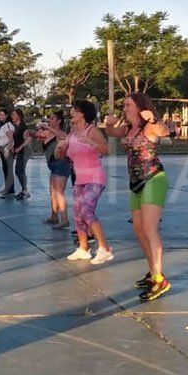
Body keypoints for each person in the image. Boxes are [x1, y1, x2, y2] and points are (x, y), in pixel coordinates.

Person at [105, 94, 172, 299]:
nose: (125, 108)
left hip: (153, 179)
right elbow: (111, 132)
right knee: (139, 230)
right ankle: (153, 272)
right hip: (135, 183)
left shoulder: (149, 127)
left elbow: (164, 131)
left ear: (139, 107)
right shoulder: (127, 129)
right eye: (124, 104)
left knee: (150, 229)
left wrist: (153, 119)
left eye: (128, 105)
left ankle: (160, 279)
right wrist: (108, 123)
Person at [58, 101, 113, 265]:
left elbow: (106, 150)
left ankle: (104, 249)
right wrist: (60, 147)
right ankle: (83, 249)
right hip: (80, 179)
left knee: (86, 210)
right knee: (78, 213)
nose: (71, 113)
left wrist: (90, 142)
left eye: (75, 110)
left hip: (95, 178)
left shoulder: (92, 130)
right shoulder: (72, 133)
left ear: (83, 114)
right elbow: (61, 155)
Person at [36, 110, 71, 228]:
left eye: (52, 119)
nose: (49, 121)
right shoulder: (49, 133)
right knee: (52, 192)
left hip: (61, 164)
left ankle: (64, 219)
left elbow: (62, 136)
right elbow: (38, 135)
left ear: (59, 121)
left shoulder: (60, 133)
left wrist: (47, 127)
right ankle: (54, 215)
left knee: (59, 192)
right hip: (53, 165)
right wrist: (30, 132)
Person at [9, 108, 33, 200]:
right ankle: (24, 190)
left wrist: (20, 147)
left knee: (19, 170)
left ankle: (25, 191)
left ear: (19, 116)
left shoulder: (23, 127)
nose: (12, 116)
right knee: (19, 170)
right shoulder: (16, 127)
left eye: (14, 115)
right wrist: (13, 146)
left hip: (25, 151)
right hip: (20, 151)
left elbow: (29, 138)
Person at [0, 108, 16, 197]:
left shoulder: (8, 125)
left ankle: (10, 189)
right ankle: (8, 188)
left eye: (1, 115)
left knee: (8, 169)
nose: (0, 116)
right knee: (5, 169)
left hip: (7, 150)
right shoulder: (3, 126)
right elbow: (1, 140)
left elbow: (10, 138)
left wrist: (7, 149)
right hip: (2, 150)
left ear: (6, 116)